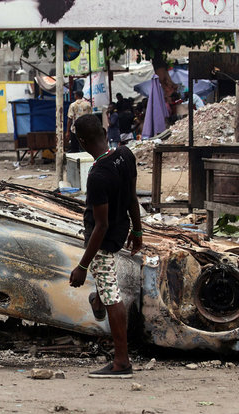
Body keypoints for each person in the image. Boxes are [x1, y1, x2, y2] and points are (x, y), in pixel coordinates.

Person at [69, 114, 143, 379]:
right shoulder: (125, 154)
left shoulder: (98, 175)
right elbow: (132, 196)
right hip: (121, 232)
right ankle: (97, 300)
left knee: (113, 296)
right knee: (105, 285)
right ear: (103, 130)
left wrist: (82, 266)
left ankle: (121, 362)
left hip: (102, 240)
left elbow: (100, 226)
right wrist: (137, 230)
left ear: (81, 140)